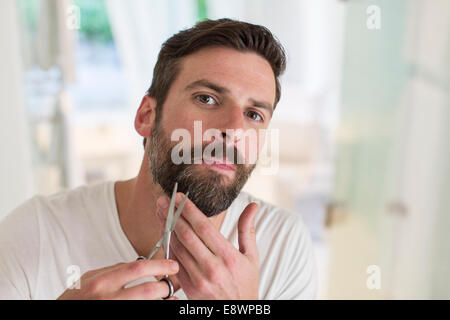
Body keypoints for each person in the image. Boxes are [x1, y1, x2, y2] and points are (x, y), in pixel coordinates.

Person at [0, 18, 317, 300]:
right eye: (206, 99)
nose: (234, 130)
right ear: (147, 116)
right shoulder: (35, 233)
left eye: (253, 114)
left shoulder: (282, 245)